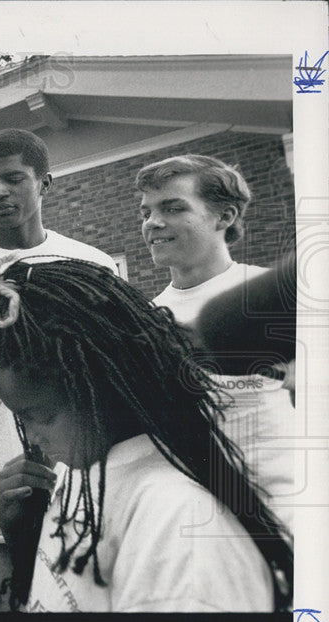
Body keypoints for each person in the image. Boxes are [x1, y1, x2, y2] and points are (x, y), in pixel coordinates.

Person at [0, 258, 292, 613]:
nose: (31, 437)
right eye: (20, 419)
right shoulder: (85, 466)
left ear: (99, 387)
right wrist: (25, 538)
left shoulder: (181, 535)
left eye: (40, 416)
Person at [0, 129, 117, 541]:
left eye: (14, 179)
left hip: (82, 490)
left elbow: (114, 374)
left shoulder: (92, 265)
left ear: (44, 183)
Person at [136, 154, 295, 527]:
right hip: (197, 525)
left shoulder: (273, 299)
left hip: (289, 517)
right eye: (146, 213)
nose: (153, 223)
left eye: (173, 208)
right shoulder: (144, 320)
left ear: (224, 217)